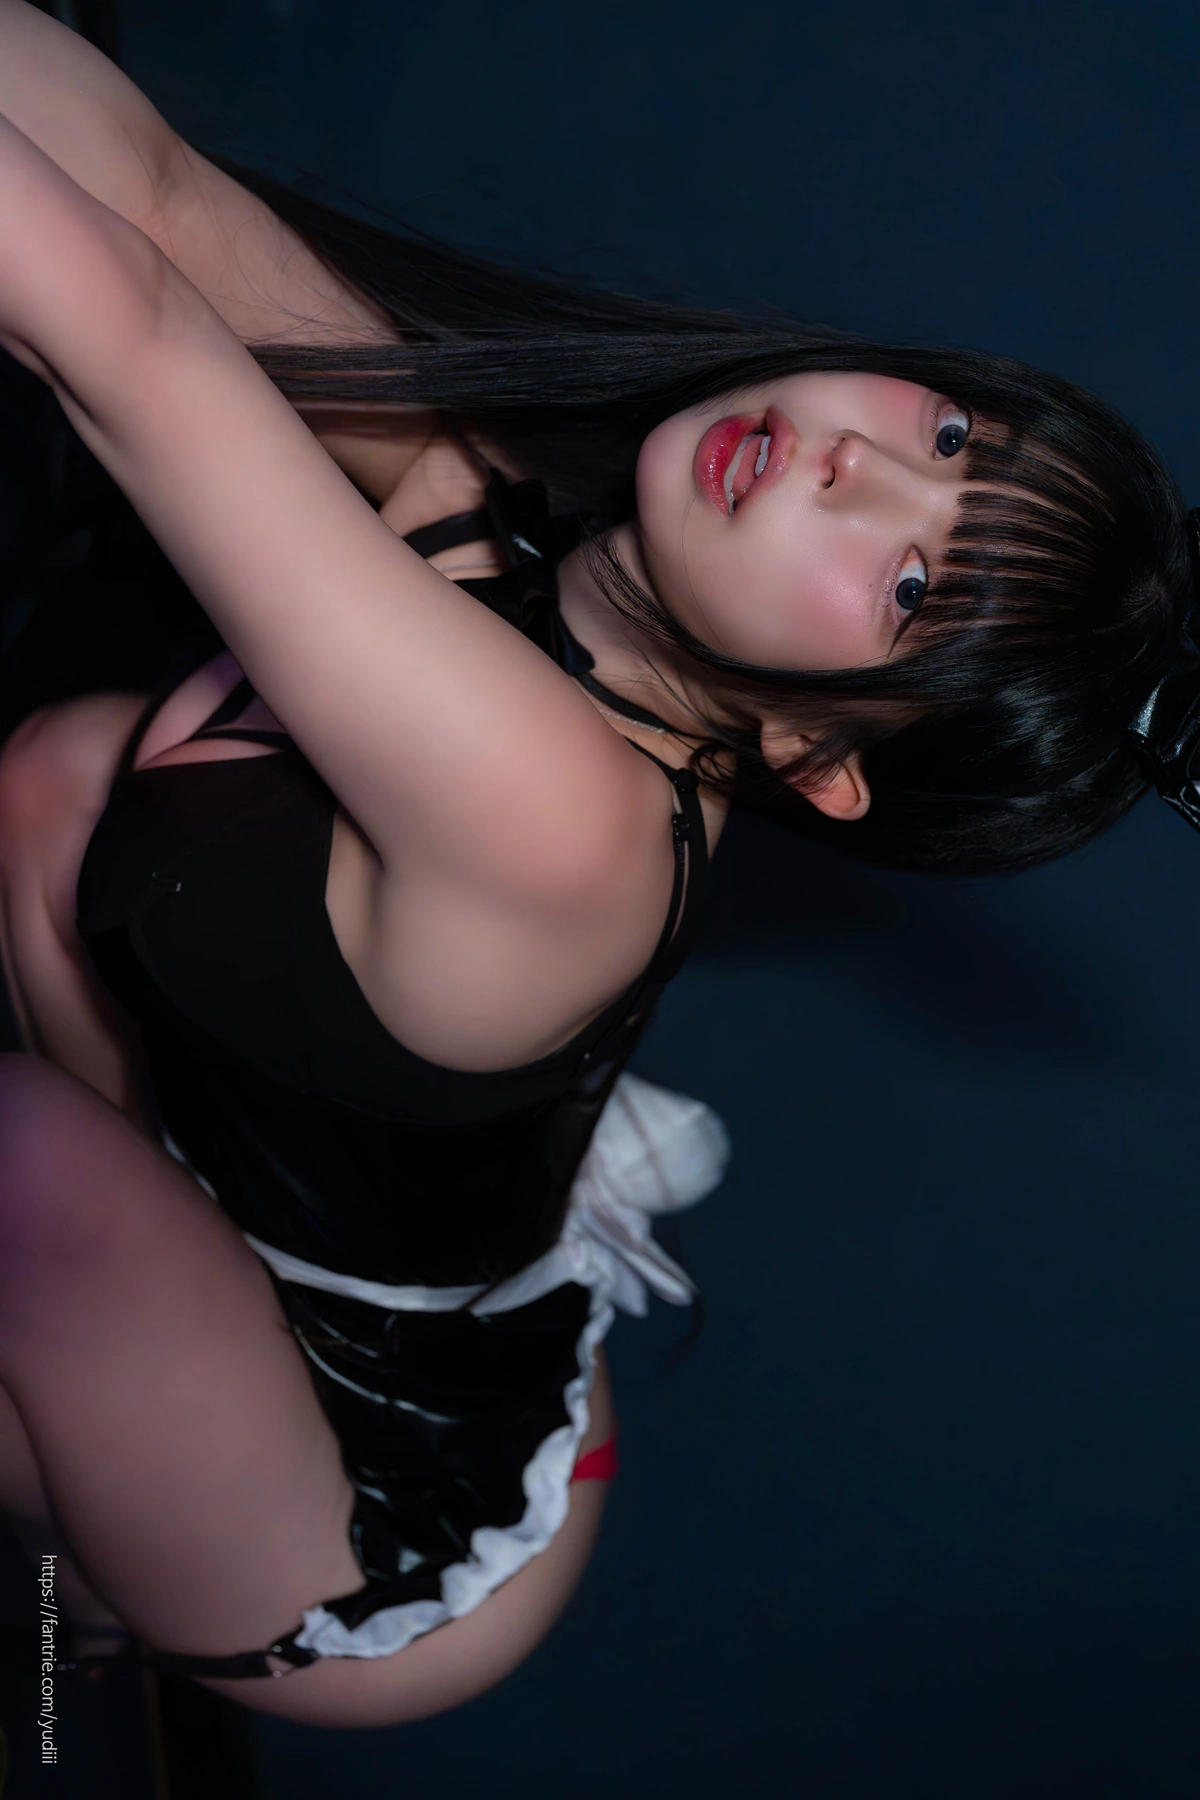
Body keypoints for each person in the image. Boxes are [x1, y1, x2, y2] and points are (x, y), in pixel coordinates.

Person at [0, 1, 1195, 1731]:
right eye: (953, 443)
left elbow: (131, 340)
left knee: (25, 1157)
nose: (856, 467)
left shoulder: (563, 819)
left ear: (819, 759)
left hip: (377, 1516)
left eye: (911, 589)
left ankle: (98, 1549)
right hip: (333, 1233)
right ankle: (127, 1317)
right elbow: (161, 204)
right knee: (61, 776)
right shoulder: (487, 499)